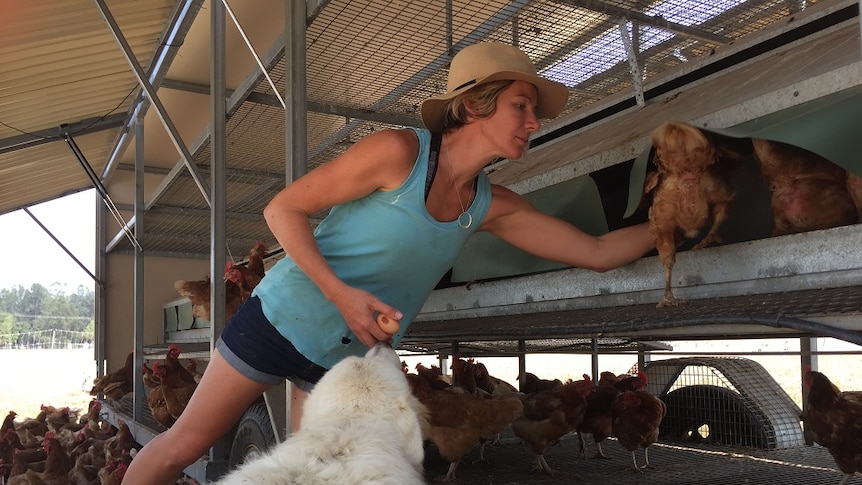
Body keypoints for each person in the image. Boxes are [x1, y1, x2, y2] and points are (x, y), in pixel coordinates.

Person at [122, 41, 654, 483]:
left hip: (347, 362)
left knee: (322, 475)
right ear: (473, 105)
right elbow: (283, 209)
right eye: (522, 105)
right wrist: (340, 294)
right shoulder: (399, 153)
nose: (534, 121)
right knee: (184, 446)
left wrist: (669, 223)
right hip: (283, 319)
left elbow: (598, 253)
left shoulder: (492, 205)